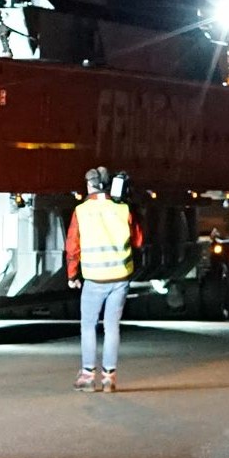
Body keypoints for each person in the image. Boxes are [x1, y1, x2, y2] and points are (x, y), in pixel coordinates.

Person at [66, 164, 142, 392]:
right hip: (120, 278)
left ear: (89, 184)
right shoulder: (122, 209)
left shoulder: (81, 211)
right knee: (112, 327)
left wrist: (72, 275)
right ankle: (109, 377)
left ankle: (88, 376)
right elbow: (137, 240)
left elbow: (72, 246)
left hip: (94, 279)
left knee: (89, 326)